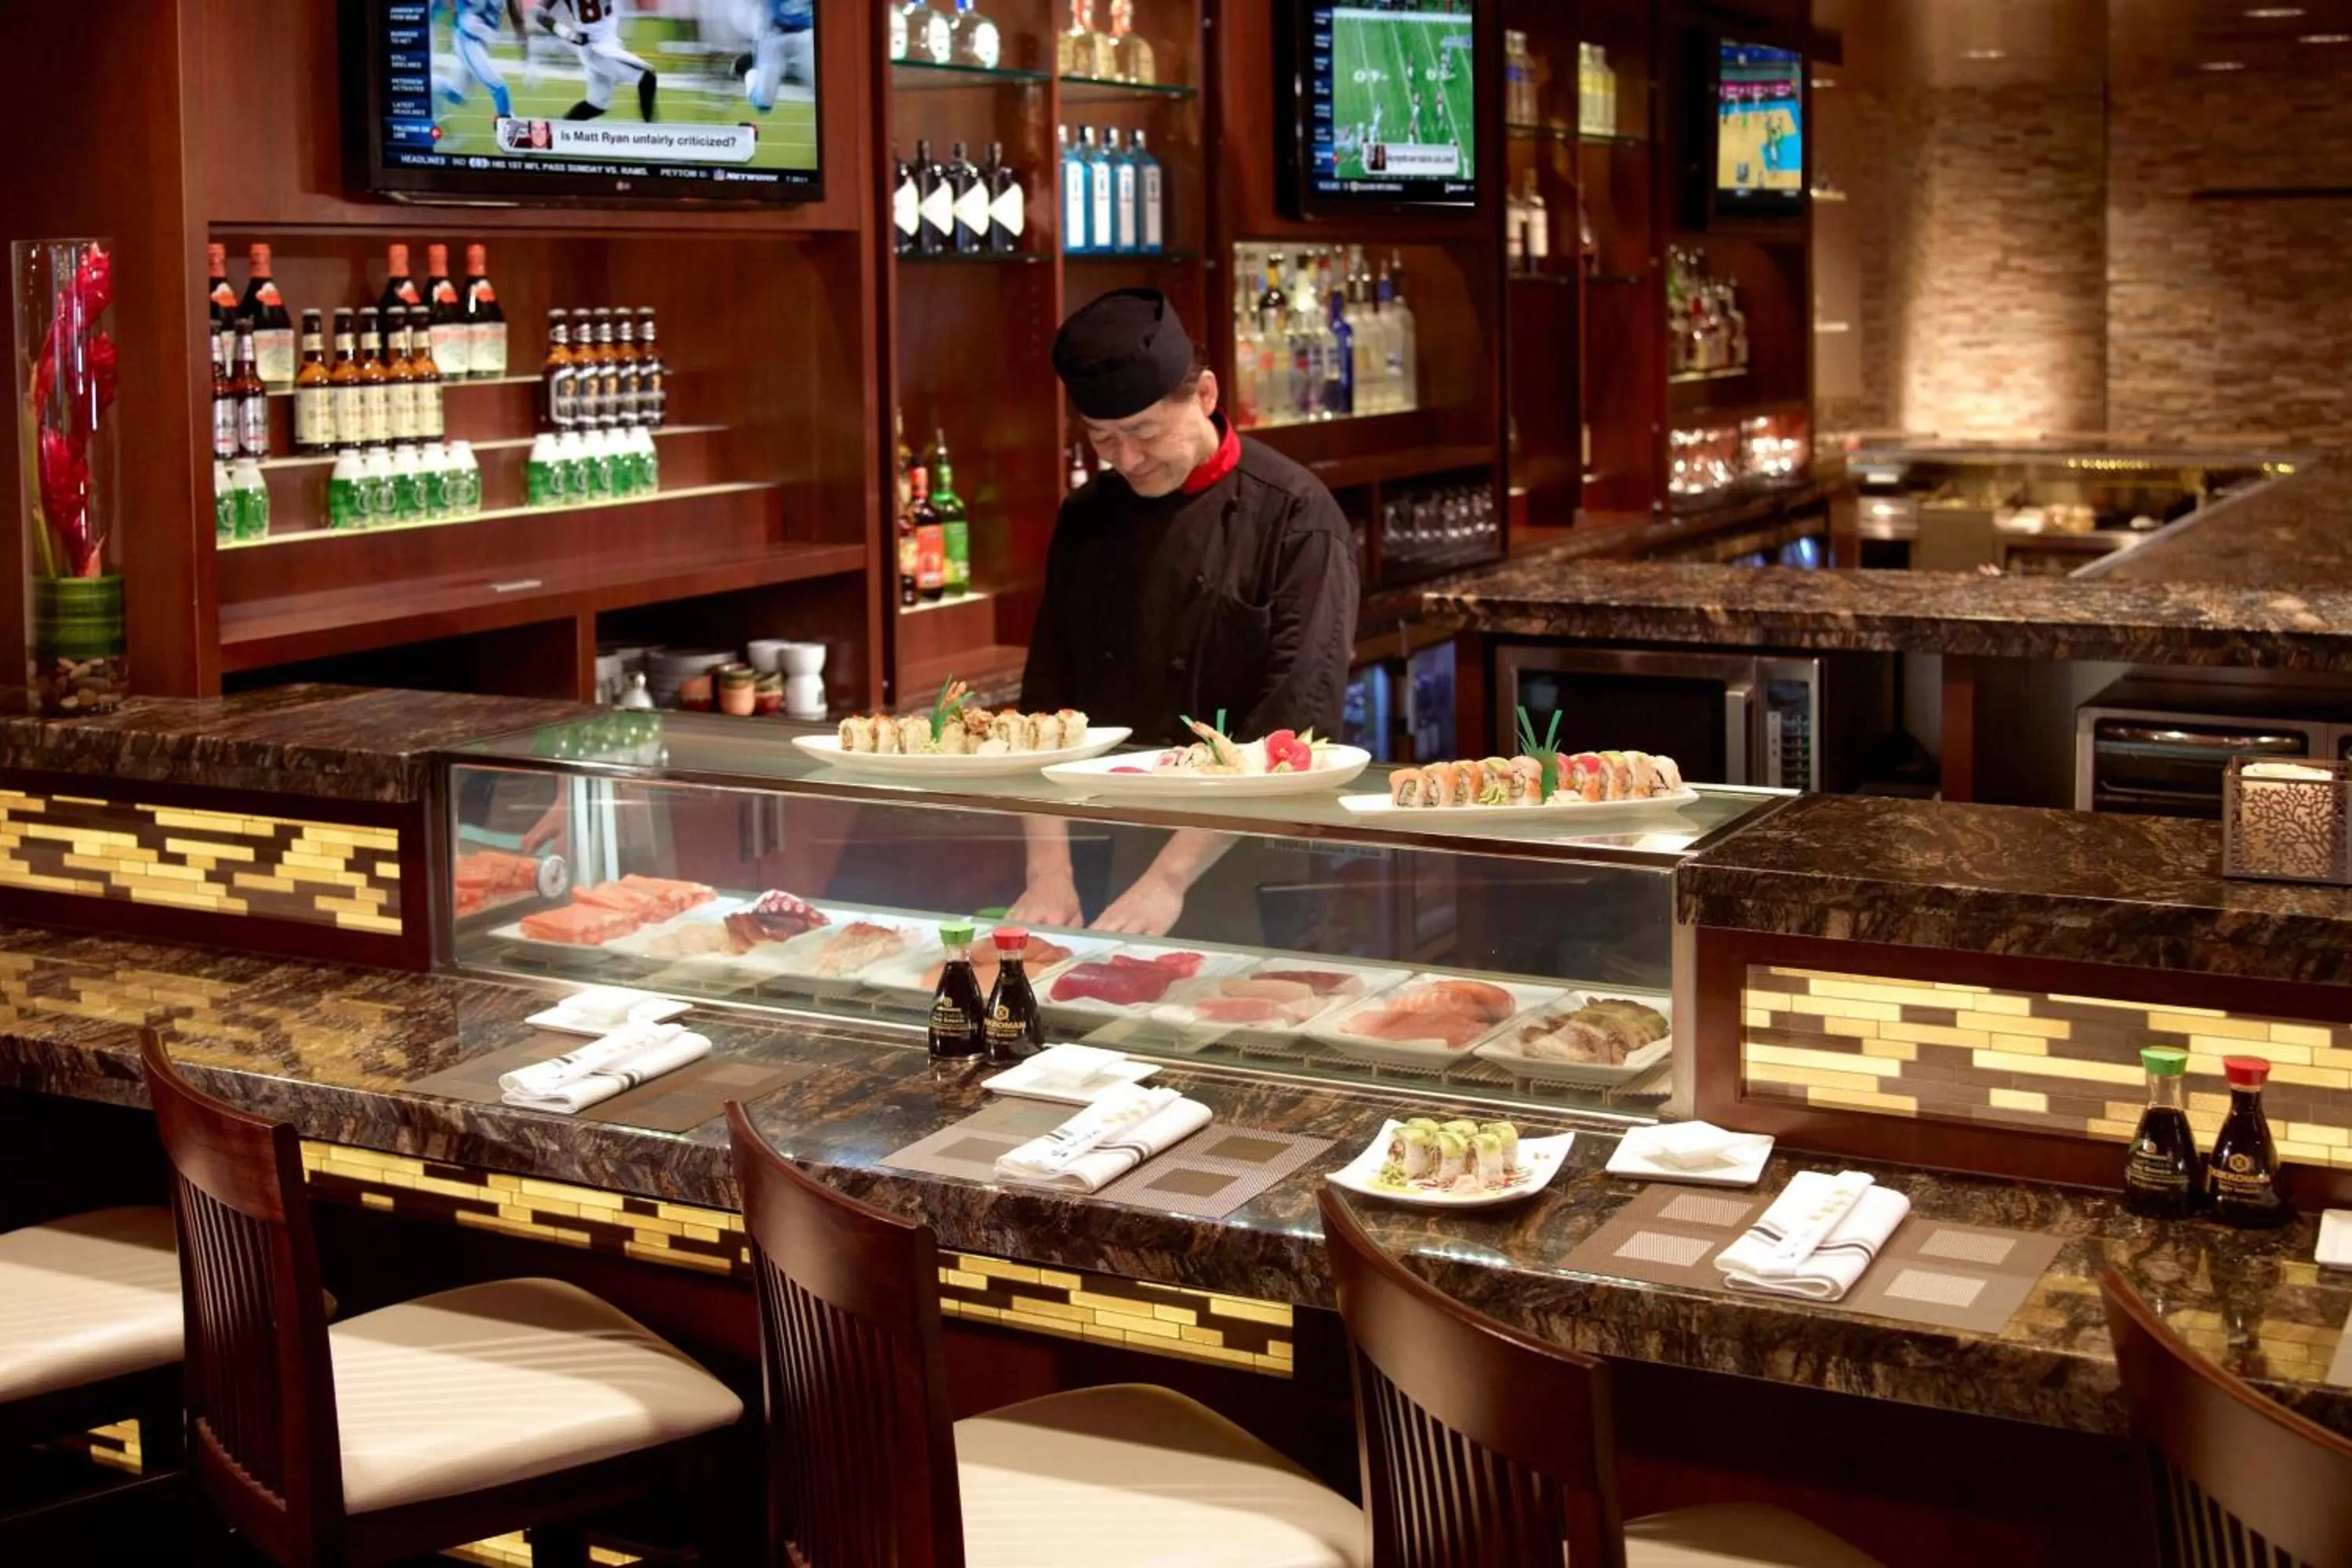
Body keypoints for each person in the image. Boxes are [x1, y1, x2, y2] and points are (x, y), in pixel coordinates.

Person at [1010, 289, 1359, 936]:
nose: (1127, 459)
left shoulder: (1296, 517)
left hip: (1249, 849)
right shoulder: (1087, 517)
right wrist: (1047, 871)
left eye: (1144, 432)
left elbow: (1295, 729)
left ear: (1205, 394)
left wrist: (1166, 881)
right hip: (1106, 841)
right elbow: (1044, 707)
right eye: (1102, 439)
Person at [532, 0, 659, 122]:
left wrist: (569, 35)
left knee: (596, 106)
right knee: (647, 76)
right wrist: (570, 35)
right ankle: (654, 136)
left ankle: (560, 131)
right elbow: (538, 13)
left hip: (599, 45)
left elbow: (539, 13)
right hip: (597, 47)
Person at [437, 0, 524, 121]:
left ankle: (423, 84)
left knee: (458, 95)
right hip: (468, 39)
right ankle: (508, 132)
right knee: (499, 89)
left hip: (481, 43)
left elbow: (517, 18)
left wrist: (527, 58)